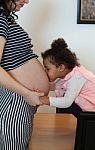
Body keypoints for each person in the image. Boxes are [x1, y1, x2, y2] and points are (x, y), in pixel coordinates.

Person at [0, 0, 49, 149]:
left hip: (19, 99)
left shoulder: (5, 18)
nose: (27, 1)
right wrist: (27, 94)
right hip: (15, 100)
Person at [39, 38, 95, 117]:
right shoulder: (67, 76)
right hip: (85, 110)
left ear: (61, 67)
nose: (45, 71)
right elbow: (54, 86)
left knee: (64, 102)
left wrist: (45, 100)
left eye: (47, 69)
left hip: (93, 115)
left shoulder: (77, 77)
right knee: (62, 100)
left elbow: (66, 102)